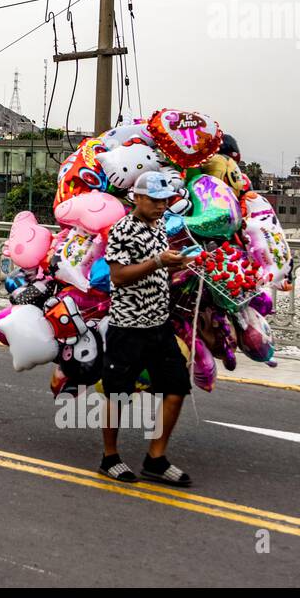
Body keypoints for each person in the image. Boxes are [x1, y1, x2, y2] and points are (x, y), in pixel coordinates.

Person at [98, 170, 196, 486]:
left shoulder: (159, 228)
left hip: (158, 325)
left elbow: (158, 265)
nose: (160, 206)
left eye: (165, 200)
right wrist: (158, 263)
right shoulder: (122, 230)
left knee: (177, 387)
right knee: (117, 393)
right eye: (154, 200)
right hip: (128, 326)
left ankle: (156, 457)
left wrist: (178, 263)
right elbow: (119, 276)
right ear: (137, 197)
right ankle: (109, 457)